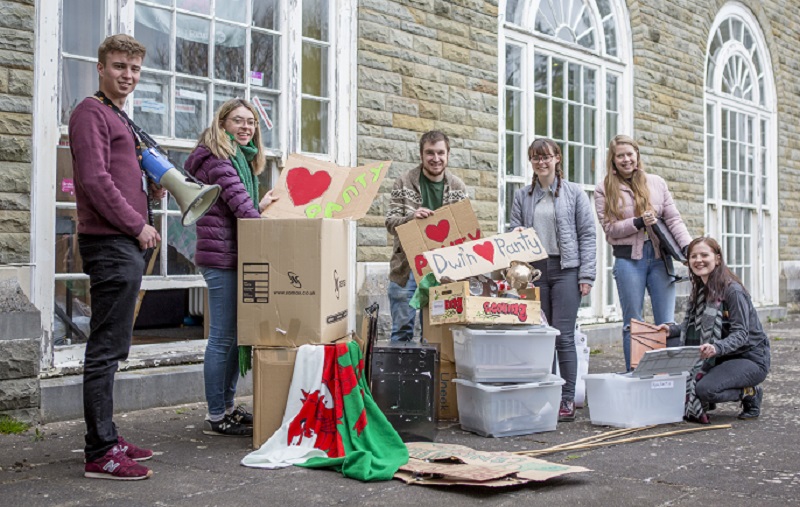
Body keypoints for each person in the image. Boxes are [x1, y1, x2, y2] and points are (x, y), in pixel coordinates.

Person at [69, 34, 160, 480]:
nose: (128, 75)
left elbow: (120, 179)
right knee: (105, 349)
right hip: (109, 243)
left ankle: (108, 434)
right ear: (101, 67)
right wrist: (137, 224)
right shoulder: (89, 112)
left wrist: (151, 191)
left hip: (123, 242)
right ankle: (100, 452)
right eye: (120, 66)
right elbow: (94, 181)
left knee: (115, 345)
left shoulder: (117, 115)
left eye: (135, 69)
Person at [185, 98, 277, 437]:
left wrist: (261, 205)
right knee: (222, 337)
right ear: (222, 124)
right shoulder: (220, 160)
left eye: (251, 122)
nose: (246, 127)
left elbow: (245, 205)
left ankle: (226, 406)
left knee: (236, 336)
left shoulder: (240, 161)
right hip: (222, 258)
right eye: (238, 121)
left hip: (234, 255)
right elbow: (242, 208)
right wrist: (276, 232)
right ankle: (215, 414)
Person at [509, 138, 596, 422]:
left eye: (546, 157)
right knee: (541, 338)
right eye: (536, 157)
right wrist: (517, 232)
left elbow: (587, 235)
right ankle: (544, 395)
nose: (541, 162)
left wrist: (586, 275)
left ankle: (567, 398)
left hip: (566, 269)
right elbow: (512, 231)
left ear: (557, 159)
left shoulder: (574, 194)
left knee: (563, 335)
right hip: (535, 271)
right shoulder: (523, 196)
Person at [595, 135, 691, 371]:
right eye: (620, 156)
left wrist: (689, 248)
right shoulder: (604, 188)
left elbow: (674, 219)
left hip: (661, 259)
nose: (626, 159)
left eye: (630, 154)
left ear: (637, 155)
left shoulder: (657, 183)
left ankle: (671, 379)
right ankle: (634, 377)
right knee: (633, 324)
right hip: (629, 261)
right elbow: (610, 229)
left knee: (666, 323)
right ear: (613, 160)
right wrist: (637, 222)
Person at [663, 237, 770, 423]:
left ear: (717, 259)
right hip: (721, 355)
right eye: (693, 256)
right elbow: (694, 327)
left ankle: (749, 392)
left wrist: (716, 347)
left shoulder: (732, 291)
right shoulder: (701, 289)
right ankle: (705, 393)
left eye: (704, 255)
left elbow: (741, 334)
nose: (698, 260)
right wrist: (670, 330)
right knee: (669, 347)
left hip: (749, 357)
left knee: (705, 390)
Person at [385, 130, 468, 342]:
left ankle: (431, 375)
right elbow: (390, 223)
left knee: (436, 333)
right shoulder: (404, 182)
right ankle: (400, 375)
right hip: (407, 267)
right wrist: (412, 217)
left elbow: (465, 229)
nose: (436, 158)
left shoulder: (458, 187)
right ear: (421, 155)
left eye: (441, 152)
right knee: (402, 331)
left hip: (443, 269)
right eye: (430, 153)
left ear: (448, 154)